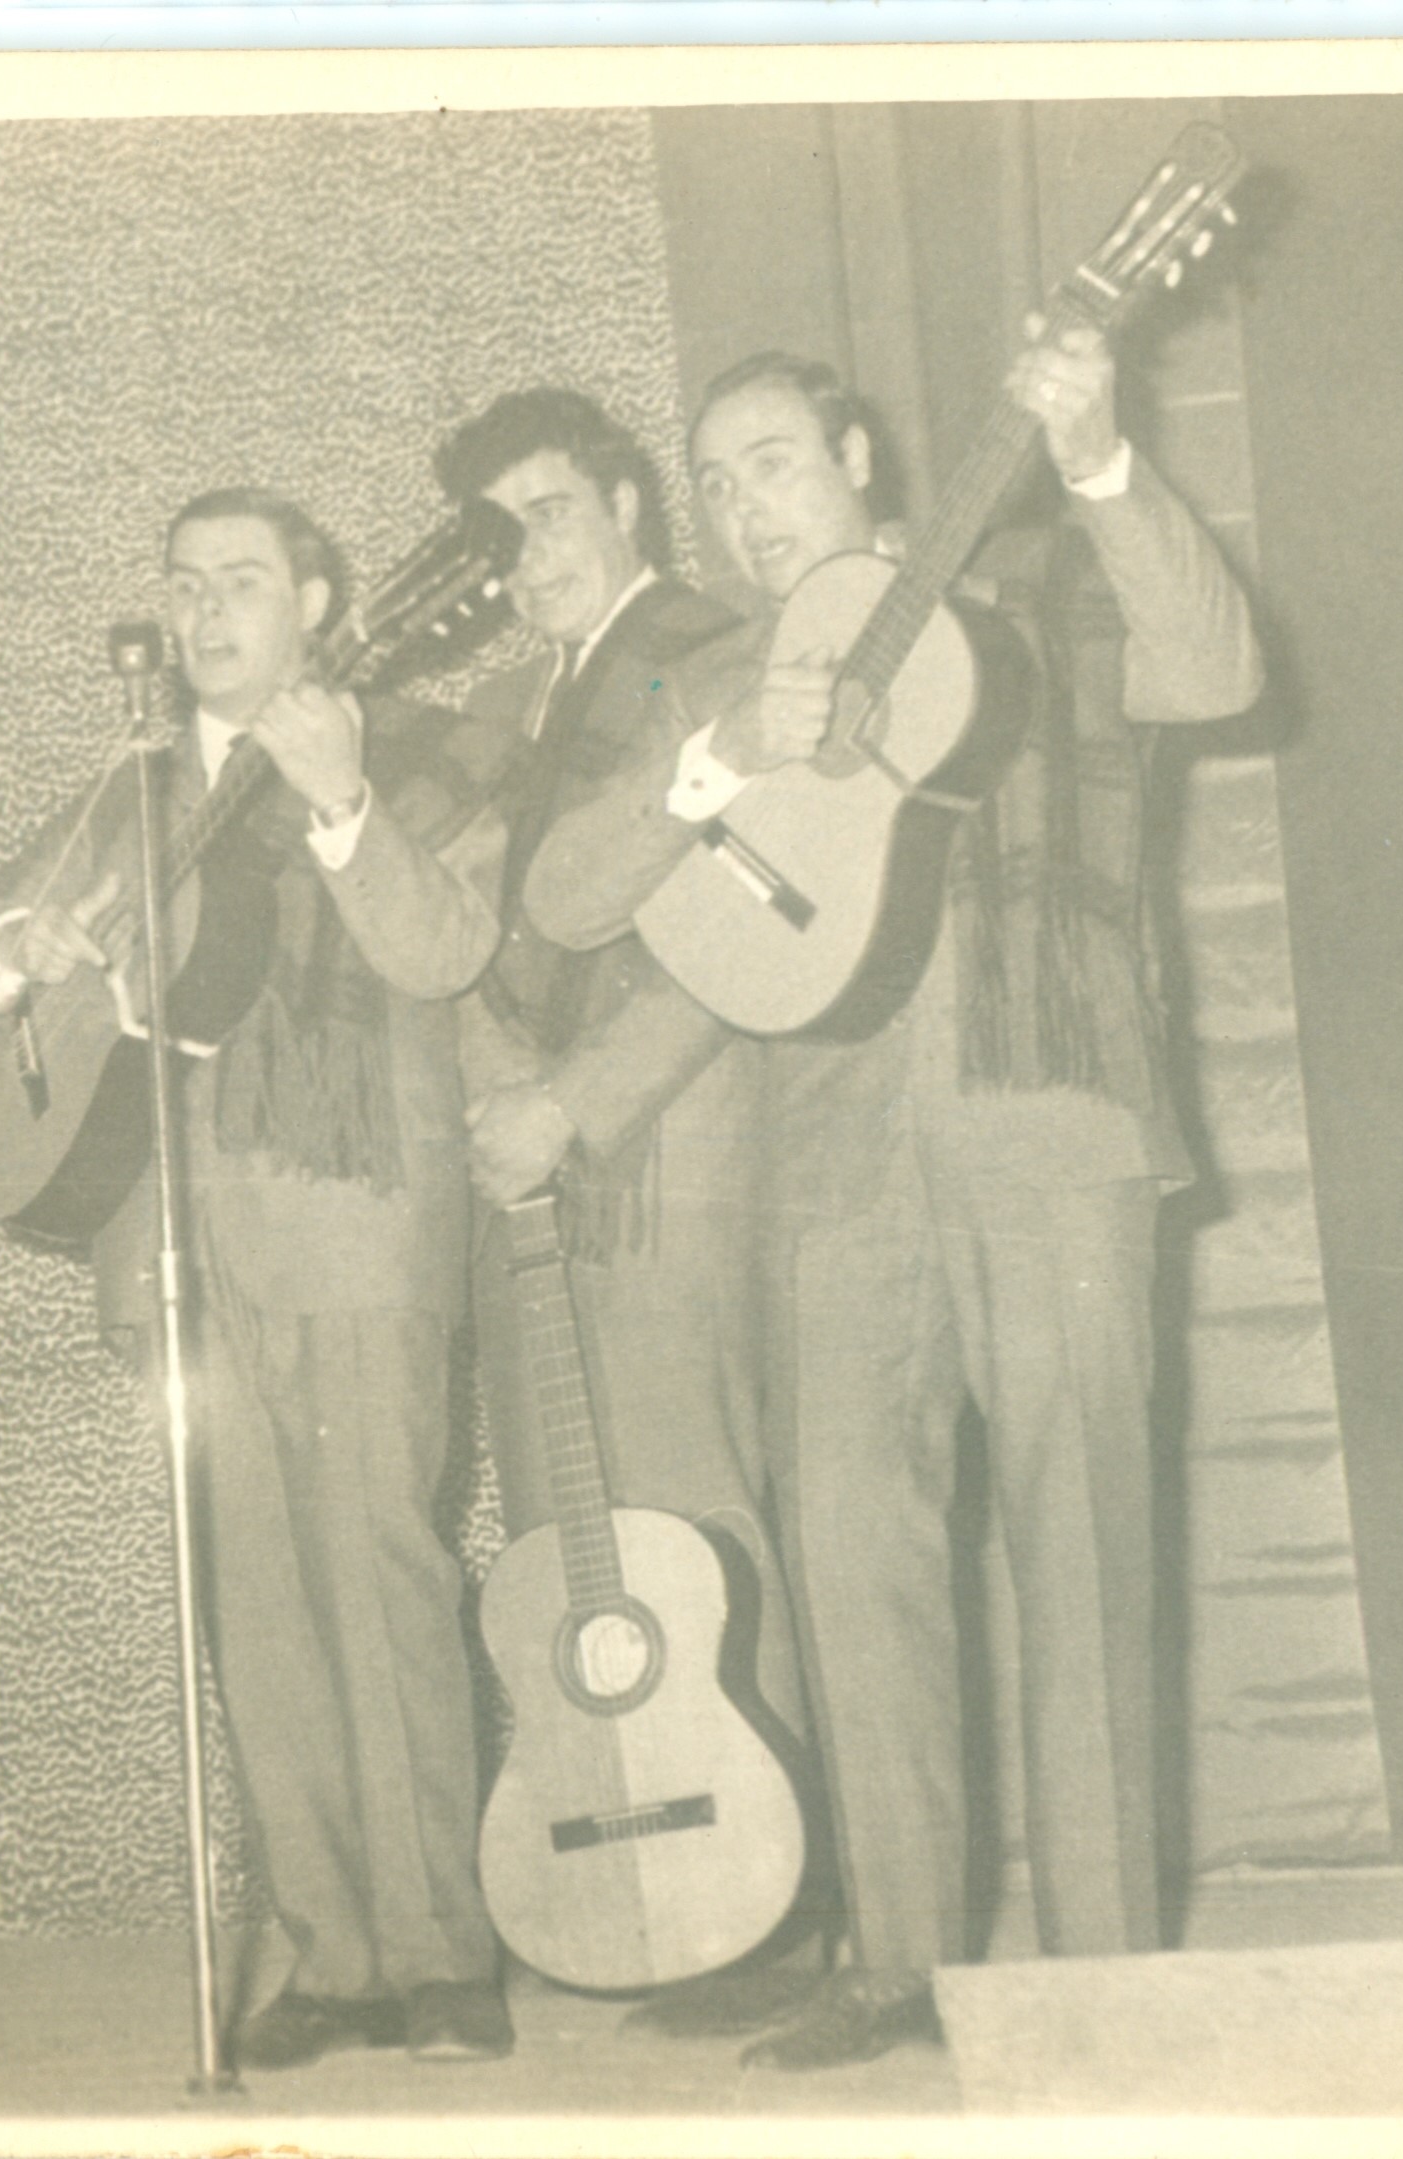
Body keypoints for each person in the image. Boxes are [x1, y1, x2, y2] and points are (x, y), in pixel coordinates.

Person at [524, 324, 1264, 2070]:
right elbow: (566, 898)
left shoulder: (1046, 586)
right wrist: (715, 762)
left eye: (770, 460)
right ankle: (903, 1960)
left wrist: (1095, 457)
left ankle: (1097, 1982)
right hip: (836, 1157)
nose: (738, 508)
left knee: (1078, 1552)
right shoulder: (726, 674)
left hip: (1045, 1115)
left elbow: (1219, 668)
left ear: (859, 458)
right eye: (708, 484)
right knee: (852, 1555)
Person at [0, 488, 517, 2069]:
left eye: (241, 581)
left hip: (365, 1215)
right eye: (182, 586)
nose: (204, 613)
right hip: (181, 1238)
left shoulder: (421, 751)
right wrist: (20, 945)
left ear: (319, 602)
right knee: (251, 1603)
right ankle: (330, 1952)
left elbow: (446, 949)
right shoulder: (129, 790)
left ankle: (442, 1948)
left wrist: (340, 809)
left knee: (383, 1575)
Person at [430, 388, 825, 2036]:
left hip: (666, 1141)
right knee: (574, 1549)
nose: (527, 558)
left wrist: (571, 1107)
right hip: (529, 1171)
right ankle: (648, 1901)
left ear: (626, 504)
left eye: (551, 514)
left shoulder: (724, 649)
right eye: (497, 536)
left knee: (692, 1537)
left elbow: (740, 944)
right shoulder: (518, 709)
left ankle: (782, 1916)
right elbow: (450, 922)